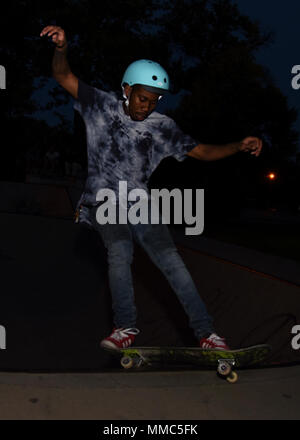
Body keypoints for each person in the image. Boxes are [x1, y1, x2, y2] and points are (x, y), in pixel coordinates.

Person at [40, 26, 263, 351]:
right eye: (143, 98)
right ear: (127, 89)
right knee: (120, 251)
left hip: (140, 204)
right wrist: (61, 48)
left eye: (154, 101)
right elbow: (63, 77)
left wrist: (237, 145)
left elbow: (201, 152)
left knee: (172, 261)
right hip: (104, 202)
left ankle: (207, 335)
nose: (147, 107)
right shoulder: (99, 104)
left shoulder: (163, 128)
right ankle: (125, 328)